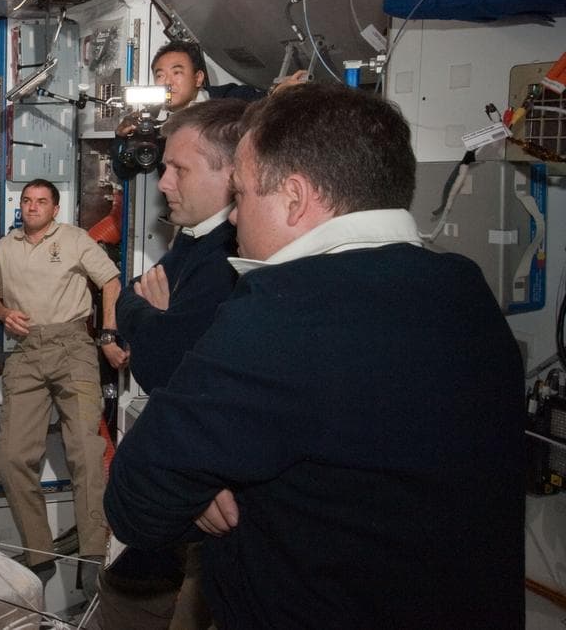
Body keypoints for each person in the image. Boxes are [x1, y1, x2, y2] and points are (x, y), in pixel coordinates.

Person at [105, 83, 524, 629]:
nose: (233, 219)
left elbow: (135, 501)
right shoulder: (465, 289)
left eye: (244, 196)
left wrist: (204, 490)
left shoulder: (281, 312)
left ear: (296, 199)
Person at [102, 99, 248, 630]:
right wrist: (153, 316)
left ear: (231, 173)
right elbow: (127, 300)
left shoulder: (227, 257)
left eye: (177, 169)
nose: (163, 183)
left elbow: (161, 364)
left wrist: (150, 323)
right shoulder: (191, 244)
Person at [0, 179, 121, 594]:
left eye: (41, 201)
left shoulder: (75, 239)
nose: (32, 207)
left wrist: (109, 331)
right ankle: (39, 555)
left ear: (55, 208)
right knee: (11, 456)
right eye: (26, 201)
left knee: (84, 450)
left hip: (72, 345)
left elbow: (110, 281)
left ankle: (94, 553)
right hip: (26, 350)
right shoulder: (5, 248)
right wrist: (3, 311)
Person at [110, 40, 302, 181]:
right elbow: (124, 172)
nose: (167, 82)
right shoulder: (150, 122)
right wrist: (122, 138)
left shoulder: (230, 98)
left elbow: (263, 107)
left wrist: (278, 95)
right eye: (160, 76)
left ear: (198, 78)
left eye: (177, 73)